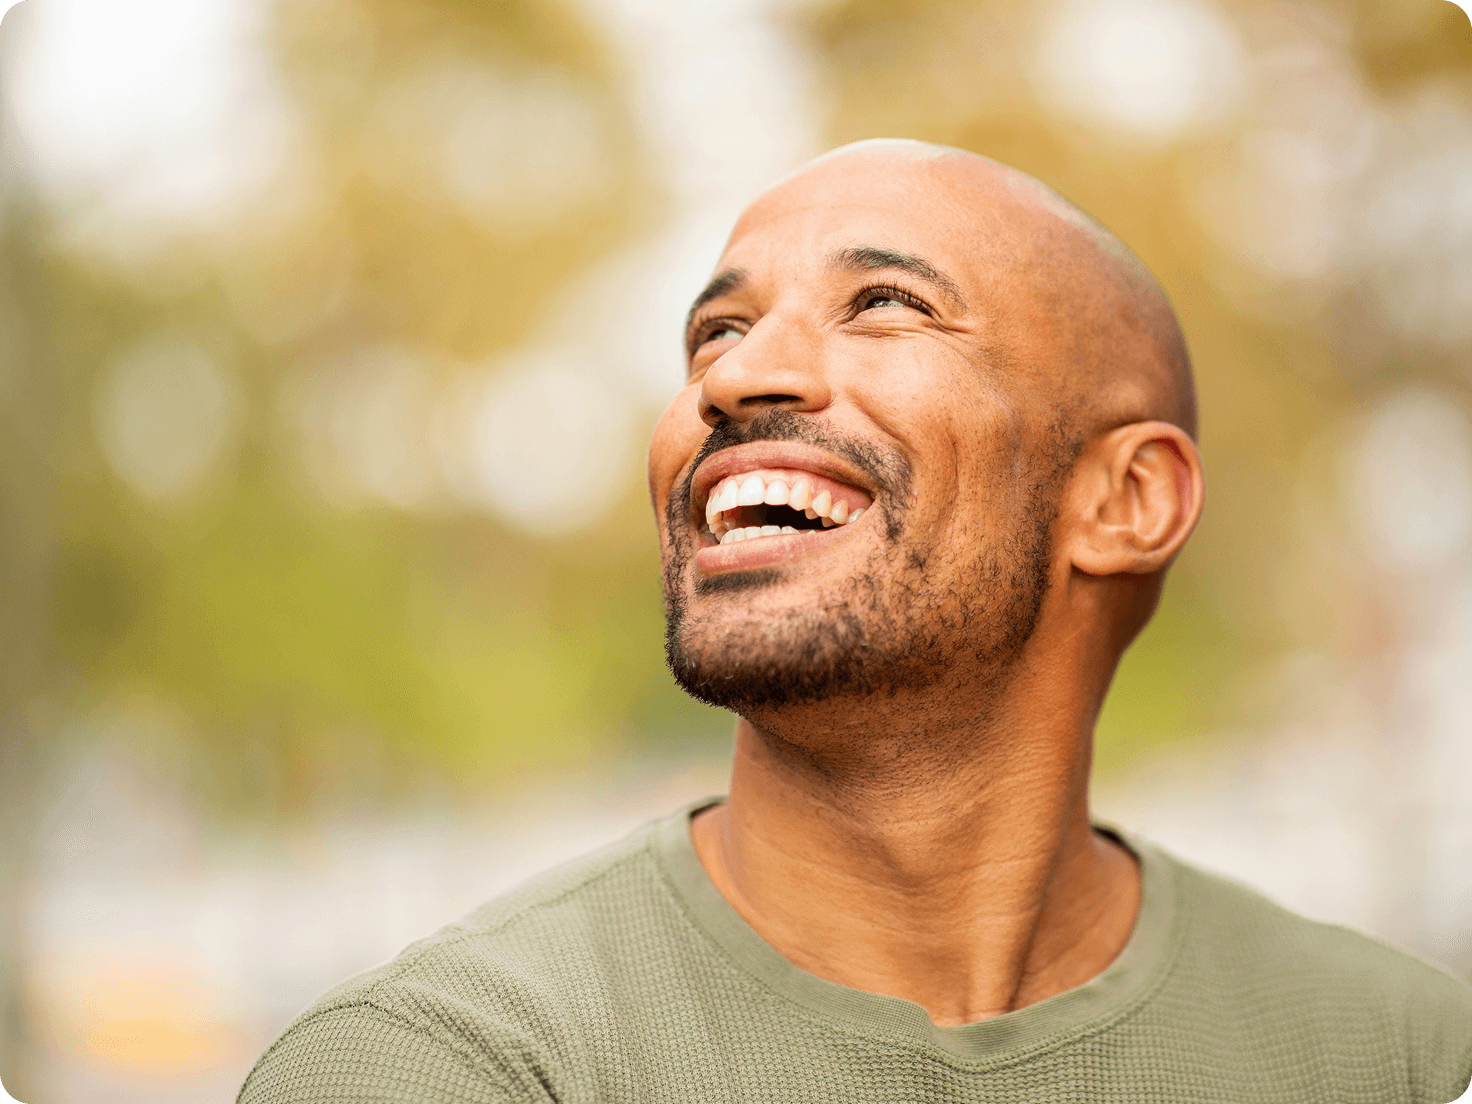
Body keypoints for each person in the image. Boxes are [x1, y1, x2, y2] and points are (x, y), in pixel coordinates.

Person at [238, 140, 1472, 1104]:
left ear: (1123, 502)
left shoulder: (1405, 1064)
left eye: (884, 304)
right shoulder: (437, 1072)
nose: (732, 378)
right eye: (715, 333)